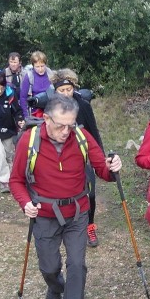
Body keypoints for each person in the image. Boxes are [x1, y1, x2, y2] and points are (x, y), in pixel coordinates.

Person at [8, 94, 122, 299]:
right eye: (60, 125)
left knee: (77, 264)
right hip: (44, 214)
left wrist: (112, 168)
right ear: (46, 118)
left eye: (70, 125)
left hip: (78, 213)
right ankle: (55, 286)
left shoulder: (81, 137)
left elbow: (102, 169)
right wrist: (25, 202)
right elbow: (16, 180)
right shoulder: (29, 141)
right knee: (49, 267)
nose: (65, 131)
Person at [51, 68, 103, 248]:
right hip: (58, 157)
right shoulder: (50, 108)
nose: (66, 93)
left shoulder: (83, 105)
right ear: (55, 90)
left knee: (91, 193)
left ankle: (90, 225)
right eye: (62, 90)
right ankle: (64, 223)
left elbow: (94, 132)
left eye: (69, 89)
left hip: (84, 154)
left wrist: (101, 160)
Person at [19, 51, 53, 120]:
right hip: (35, 113)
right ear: (33, 65)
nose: (40, 69)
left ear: (45, 64)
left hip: (50, 111)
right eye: (37, 67)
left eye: (42, 66)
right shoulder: (29, 76)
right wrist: (26, 116)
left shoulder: (50, 74)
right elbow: (23, 98)